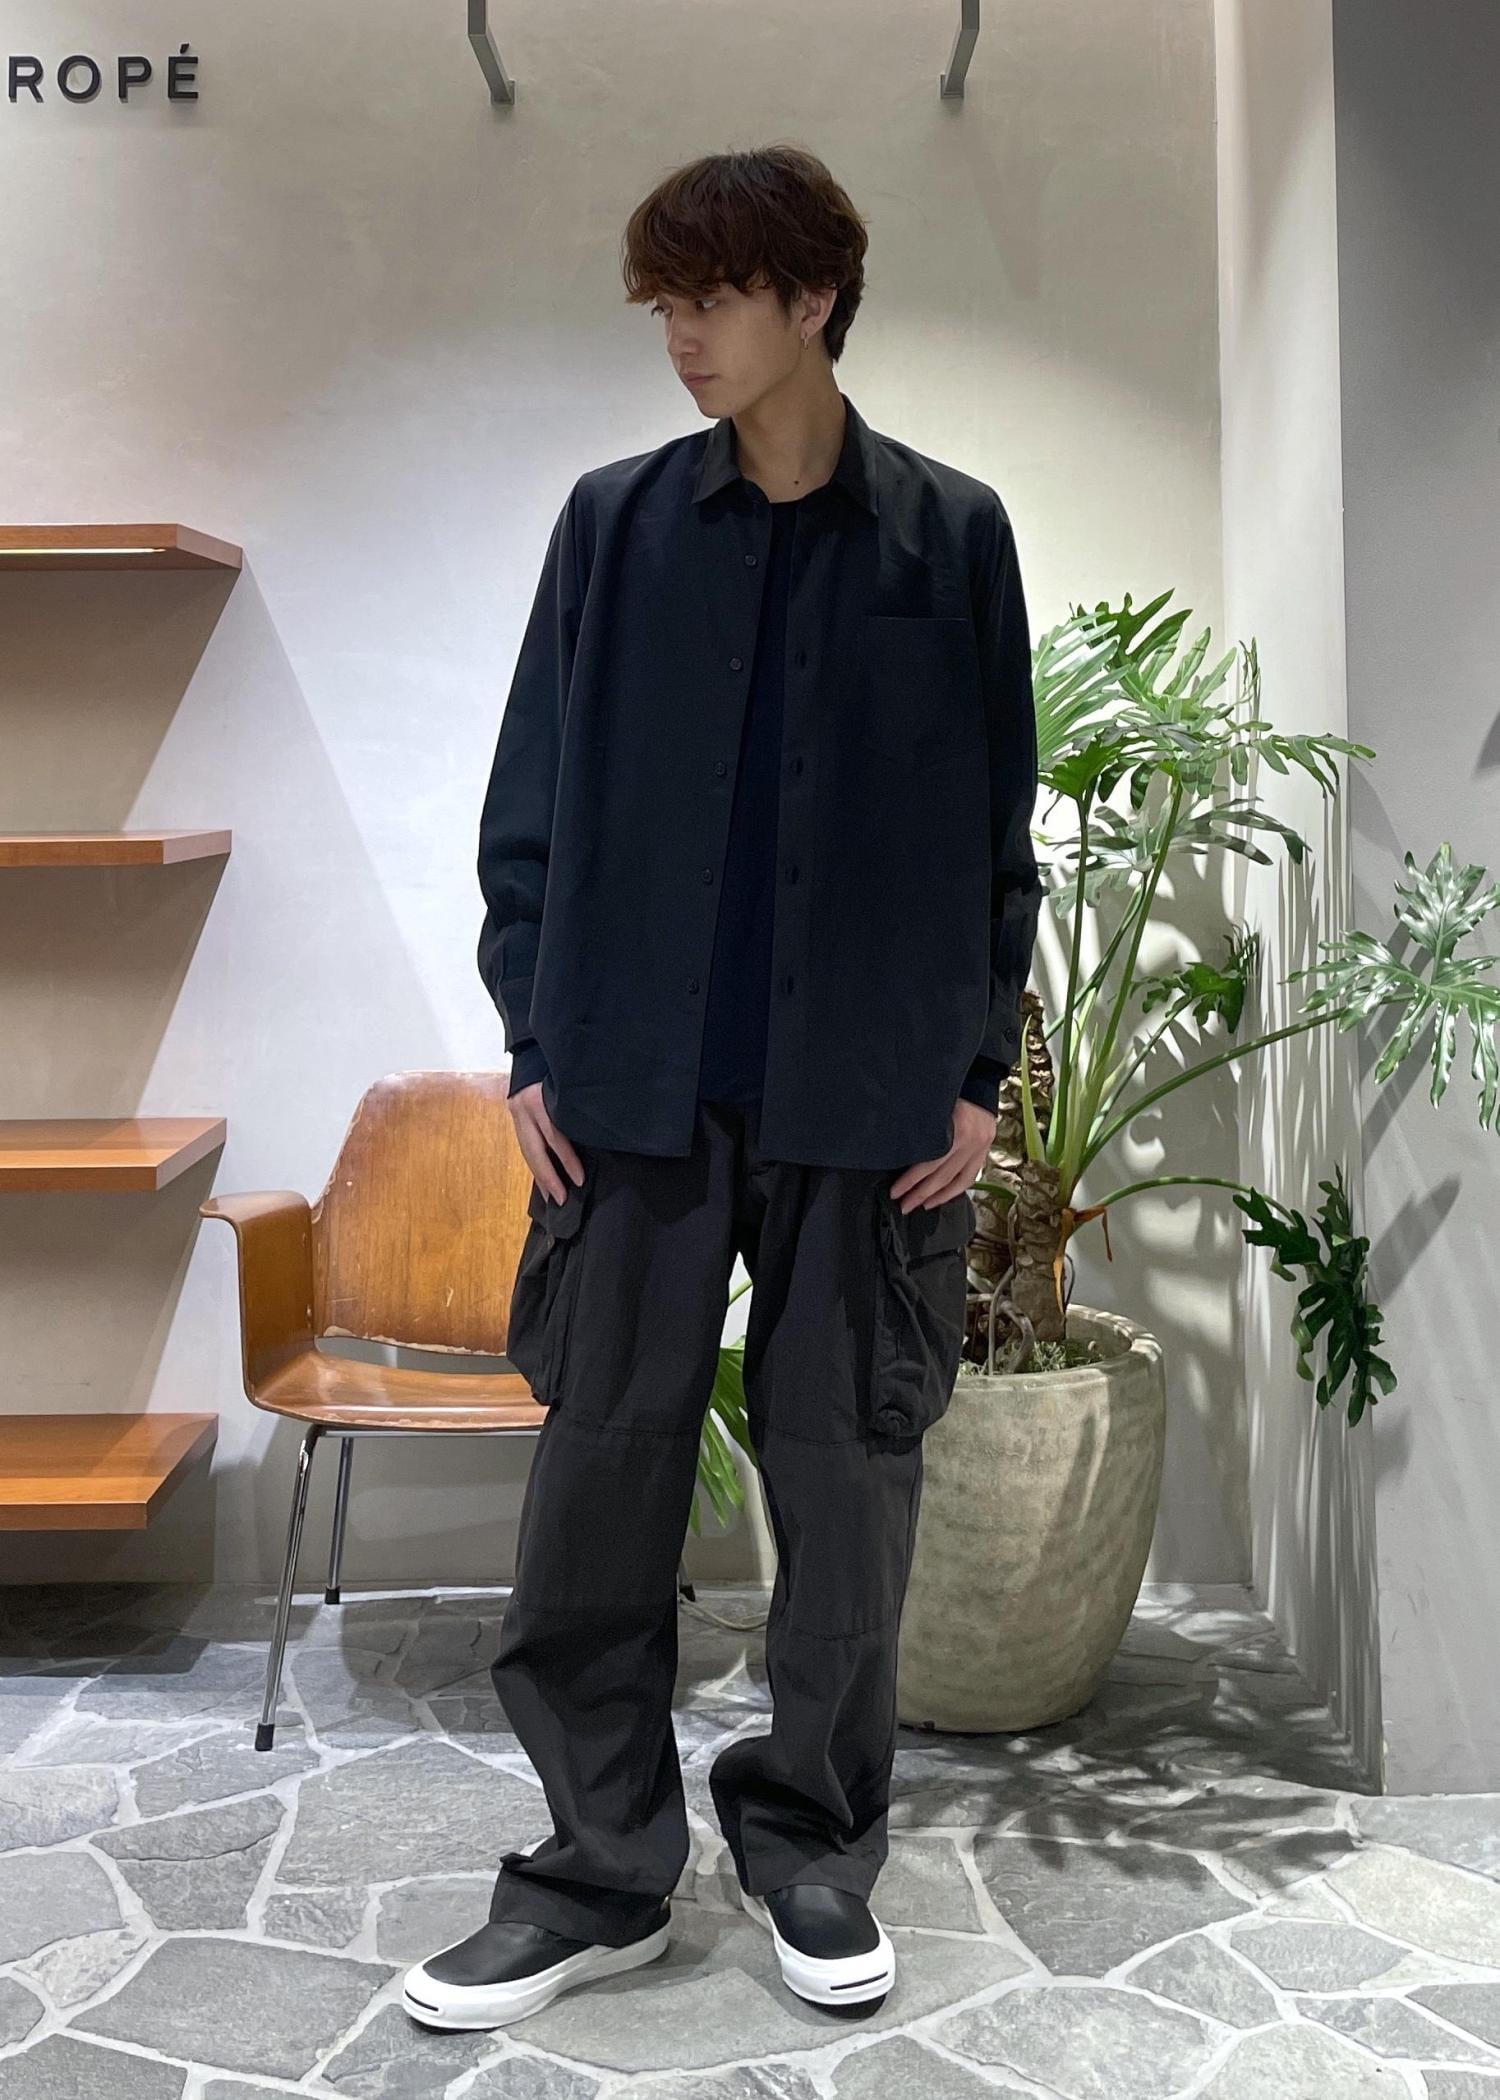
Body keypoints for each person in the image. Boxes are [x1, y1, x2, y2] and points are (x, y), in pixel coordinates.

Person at [403, 142, 1042, 2035]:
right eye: (663, 304)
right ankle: (597, 1873)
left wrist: (979, 1074)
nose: (677, 336)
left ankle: (813, 1847)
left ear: (813, 298)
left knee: (848, 1492)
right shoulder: (612, 527)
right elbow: (530, 800)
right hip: (633, 1095)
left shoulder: (951, 536)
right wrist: (533, 1040)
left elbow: (993, 828)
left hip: (868, 1104)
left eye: (709, 299)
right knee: (598, 1485)